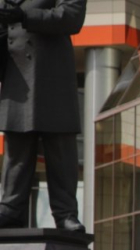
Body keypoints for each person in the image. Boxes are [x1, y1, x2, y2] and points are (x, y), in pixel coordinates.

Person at [0, 0, 87, 231]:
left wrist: (23, 15)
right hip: (16, 73)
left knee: (60, 148)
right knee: (16, 151)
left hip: (52, 74)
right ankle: (10, 208)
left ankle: (65, 213)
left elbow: (71, 16)